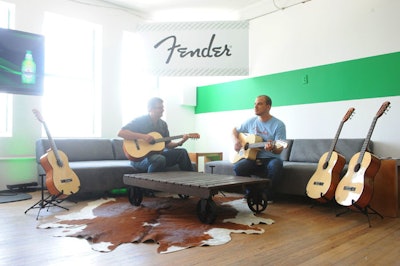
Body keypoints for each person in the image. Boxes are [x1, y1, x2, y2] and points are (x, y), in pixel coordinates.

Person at [118, 97, 194, 173]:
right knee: (159, 159)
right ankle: (150, 184)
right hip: (139, 159)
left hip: (157, 156)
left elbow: (167, 144)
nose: (162, 110)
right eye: (159, 108)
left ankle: (191, 180)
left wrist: (180, 142)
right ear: (150, 109)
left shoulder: (163, 124)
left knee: (182, 153)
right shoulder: (140, 120)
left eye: (162, 107)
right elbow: (121, 133)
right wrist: (143, 137)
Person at [232, 95, 286, 201]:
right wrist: (236, 141)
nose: (255, 107)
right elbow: (234, 130)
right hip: (252, 158)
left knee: (276, 165)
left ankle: (266, 196)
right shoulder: (251, 121)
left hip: (270, 158)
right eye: (255, 104)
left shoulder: (278, 125)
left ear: (268, 107)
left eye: (260, 104)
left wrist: (272, 148)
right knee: (238, 167)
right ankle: (251, 193)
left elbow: (280, 148)